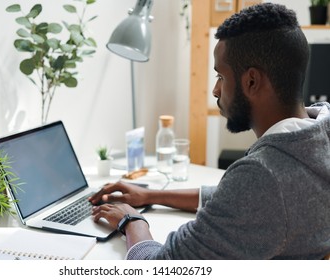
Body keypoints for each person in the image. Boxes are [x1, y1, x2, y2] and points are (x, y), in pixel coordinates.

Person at [89, 3, 330, 259]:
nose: (215, 90)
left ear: (251, 81)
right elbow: (241, 200)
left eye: (221, 77)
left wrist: (131, 221)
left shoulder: (264, 176)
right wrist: (150, 194)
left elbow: (160, 268)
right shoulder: (318, 134)